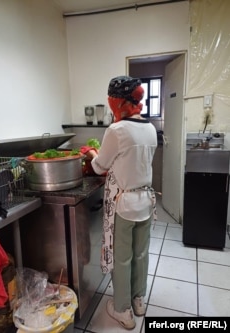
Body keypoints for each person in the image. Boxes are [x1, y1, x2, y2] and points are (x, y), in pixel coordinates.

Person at [84, 76, 157, 330]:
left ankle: (123, 310)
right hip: (146, 201)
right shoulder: (150, 128)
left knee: (122, 258)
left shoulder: (117, 130)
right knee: (141, 254)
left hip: (124, 205)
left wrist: (90, 153)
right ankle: (138, 301)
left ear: (117, 102)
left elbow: (98, 166)